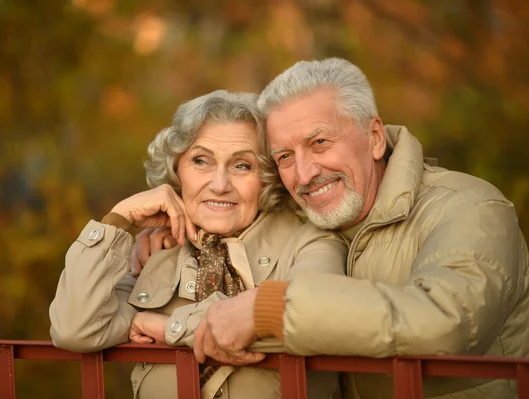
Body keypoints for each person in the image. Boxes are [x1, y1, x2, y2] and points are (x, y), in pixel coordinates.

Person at [134, 59, 529, 399]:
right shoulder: (317, 216)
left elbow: (447, 321)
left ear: (374, 138)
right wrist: (178, 233)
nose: (304, 173)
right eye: (285, 156)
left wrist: (266, 310)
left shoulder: (470, 207)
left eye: (320, 142)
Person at [49, 90, 346, 399]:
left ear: (269, 176)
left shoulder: (311, 240)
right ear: (177, 171)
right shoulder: (157, 254)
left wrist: (170, 329)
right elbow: (75, 329)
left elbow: (312, 316)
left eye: (242, 165)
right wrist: (118, 221)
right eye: (201, 161)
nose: (219, 185)